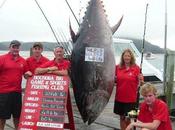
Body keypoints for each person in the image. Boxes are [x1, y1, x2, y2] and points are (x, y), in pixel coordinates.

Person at [0, 40, 29, 130]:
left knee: (17, 116)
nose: (15, 49)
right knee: (2, 117)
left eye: (17, 47)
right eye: (13, 47)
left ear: (19, 48)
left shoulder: (23, 61)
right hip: (3, 92)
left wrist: (29, 75)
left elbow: (25, 74)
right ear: (9, 48)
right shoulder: (2, 58)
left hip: (17, 92)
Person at [114, 49, 144, 130]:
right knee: (122, 118)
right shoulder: (117, 67)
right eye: (125, 56)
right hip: (119, 97)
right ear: (122, 57)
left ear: (131, 57)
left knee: (129, 119)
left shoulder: (136, 68)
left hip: (131, 99)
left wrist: (141, 80)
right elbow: (113, 80)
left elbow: (141, 84)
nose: (126, 57)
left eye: (128, 56)